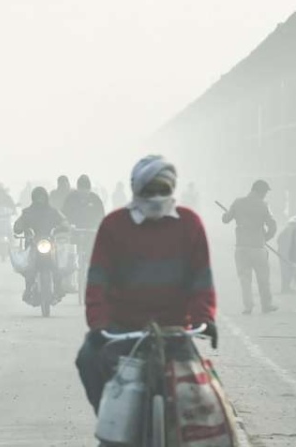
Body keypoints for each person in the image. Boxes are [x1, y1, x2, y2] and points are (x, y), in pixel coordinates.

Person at [76, 155, 217, 414]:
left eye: (161, 190)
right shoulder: (114, 225)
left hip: (173, 331)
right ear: (136, 190)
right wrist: (98, 325)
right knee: (87, 359)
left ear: (172, 189)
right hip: (122, 330)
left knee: (206, 399)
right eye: (148, 191)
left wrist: (205, 318)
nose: (155, 197)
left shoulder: (189, 224)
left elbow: (201, 280)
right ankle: (107, 415)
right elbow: (97, 283)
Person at [222, 180, 278, 315]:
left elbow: (225, 219)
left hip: (241, 247)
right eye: (265, 192)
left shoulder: (237, 202)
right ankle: (266, 304)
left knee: (245, 279)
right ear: (260, 191)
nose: (265, 195)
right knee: (263, 278)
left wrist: (227, 214)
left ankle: (248, 306)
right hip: (258, 247)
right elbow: (273, 225)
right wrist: (266, 238)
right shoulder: (264, 205)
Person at [13, 186, 70, 303]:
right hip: (33, 243)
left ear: (46, 197)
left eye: (42, 197)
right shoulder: (27, 212)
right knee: (29, 268)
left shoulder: (53, 211)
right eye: (37, 197)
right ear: (33, 198)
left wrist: (63, 226)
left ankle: (59, 288)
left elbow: (63, 220)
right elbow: (19, 223)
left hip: (49, 242)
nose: (40, 199)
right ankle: (28, 289)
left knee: (58, 265)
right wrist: (18, 227)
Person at [277, 216, 296, 293]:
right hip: (286, 254)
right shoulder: (290, 230)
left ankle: (285, 287)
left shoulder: (287, 230)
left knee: (287, 271)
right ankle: (285, 288)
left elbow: (278, 240)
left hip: (284, 254)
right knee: (288, 271)